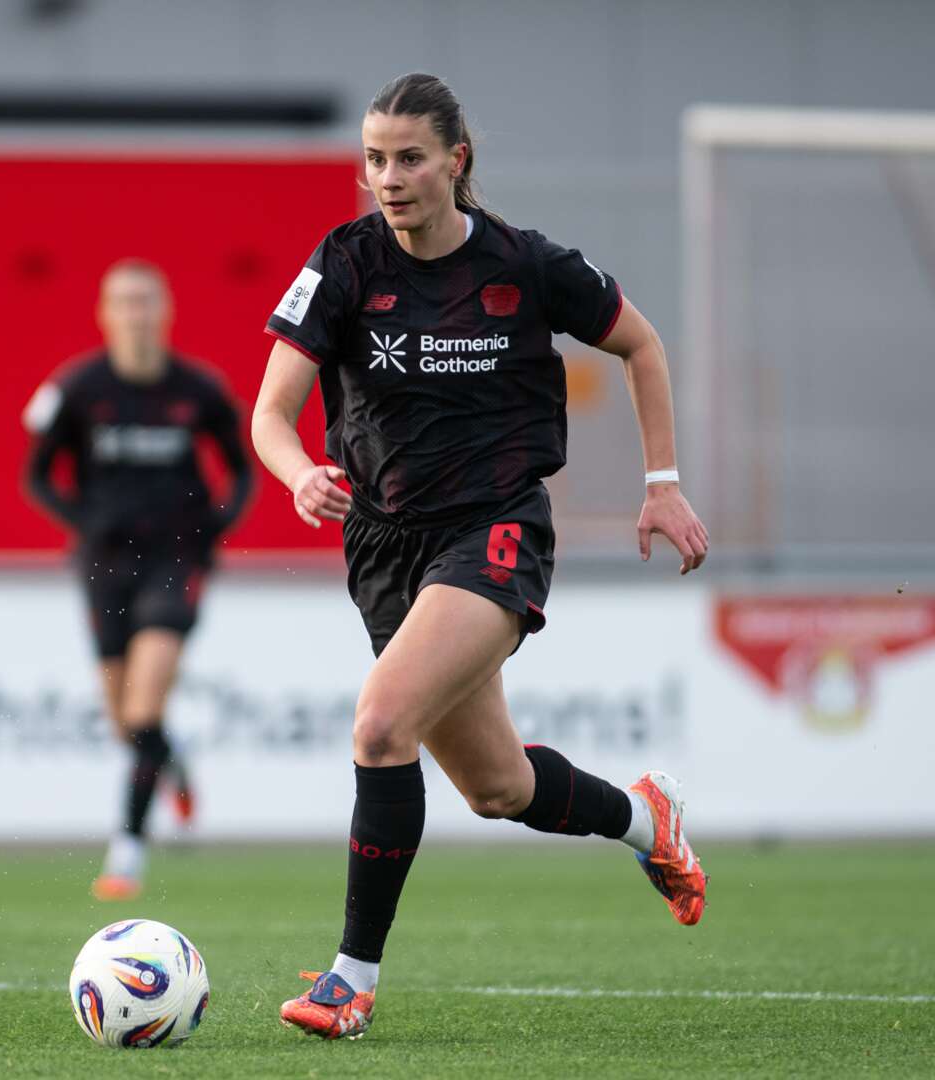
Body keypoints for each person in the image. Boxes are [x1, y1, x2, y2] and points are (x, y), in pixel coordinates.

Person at [253, 74, 712, 1040]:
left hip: (494, 529)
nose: (389, 177)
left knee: (380, 726)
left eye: (410, 158)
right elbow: (268, 415)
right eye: (374, 158)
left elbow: (643, 345)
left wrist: (661, 480)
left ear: (456, 162)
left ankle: (349, 982)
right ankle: (644, 818)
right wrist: (298, 473)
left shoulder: (527, 264)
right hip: (382, 544)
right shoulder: (343, 263)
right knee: (498, 788)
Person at [23, 258, 254, 901]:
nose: (136, 313)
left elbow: (240, 468)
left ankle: (125, 851)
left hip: (175, 560)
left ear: (166, 311)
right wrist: (84, 522)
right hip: (104, 563)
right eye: (123, 302)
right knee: (127, 723)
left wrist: (214, 529)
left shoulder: (199, 389)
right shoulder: (79, 389)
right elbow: (37, 474)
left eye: (146, 301)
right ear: (104, 314)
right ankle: (170, 760)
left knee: (145, 706)